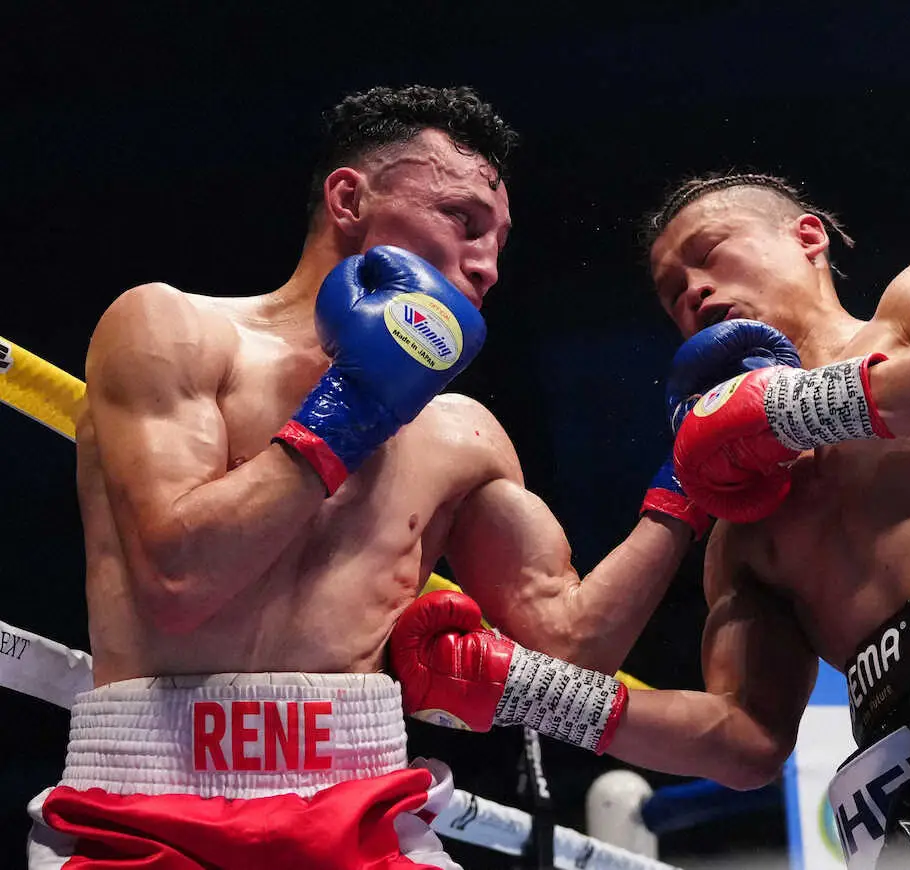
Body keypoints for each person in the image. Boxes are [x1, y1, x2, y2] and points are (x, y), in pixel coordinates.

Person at [396, 173, 910, 868]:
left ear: (807, 238)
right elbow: (746, 742)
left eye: (709, 254)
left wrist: (790, 408)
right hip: (903, 761)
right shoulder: (746, 528)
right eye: (671, 293)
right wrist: (528, 690)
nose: (692, 291)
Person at [26, 86, 707, 870]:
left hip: (361, 808)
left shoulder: (463, 434)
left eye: (499, 240)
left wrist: (687, 483)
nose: (487, 264)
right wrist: (352, 407)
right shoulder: (173, 330)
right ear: (349, 199)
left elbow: (571, 652)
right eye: (462, 220)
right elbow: (178, 583)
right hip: (148, 808)